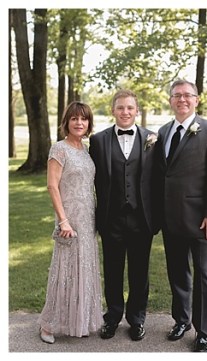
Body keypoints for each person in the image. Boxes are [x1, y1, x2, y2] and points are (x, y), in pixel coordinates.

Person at [155, 79, 207, 352]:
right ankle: (181, 320)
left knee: (203, 274)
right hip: (170, 218)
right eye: (177, 95)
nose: (182, 100)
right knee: (177, 273)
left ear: (197, 100)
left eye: (188, 95)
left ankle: (204, 331)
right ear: (170, 100)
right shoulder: (163, 132)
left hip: (201, 220)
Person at [89, 89, 159, 341]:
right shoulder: (98, 141)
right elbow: (90, 178)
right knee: (113, 270)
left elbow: (158, 180)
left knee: (140, 272)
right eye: (121, 108)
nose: (125, 112)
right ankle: (113, 317)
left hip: (142, 219)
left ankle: (137, 319)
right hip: (111, 219)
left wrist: (157, 216)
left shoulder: (153, 138)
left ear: (136, 111)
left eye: (130, 108)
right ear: (113, 110)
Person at [38, 101, 103, 344]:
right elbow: (52, 185)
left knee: (83, 268)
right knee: (64, 270)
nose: (79, 123)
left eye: (83, 119)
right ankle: (48, 324)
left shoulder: (86, 149)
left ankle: (79, 320)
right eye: (74, 119)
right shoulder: (59, 149)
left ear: (88, 123)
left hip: (88, 218)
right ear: (66, 122)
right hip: (69, 218)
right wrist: (63, 220)